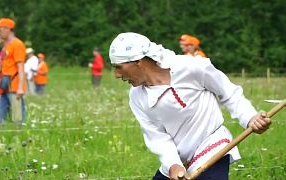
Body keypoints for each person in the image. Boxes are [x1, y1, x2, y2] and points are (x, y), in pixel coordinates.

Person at [109, 32, 271, 180]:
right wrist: (173, 164)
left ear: (138, 62)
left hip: (212, 146)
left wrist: (250, 117)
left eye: (118, 67)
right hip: (179, 160)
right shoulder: (136, 96)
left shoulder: (192, 67)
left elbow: (228, 92)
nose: (116, 75)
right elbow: (156, 136)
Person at [0, 17, 26, 124]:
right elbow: (7, 67)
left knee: (18, 118)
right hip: (5, 86)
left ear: (8, 29)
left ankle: (21, 137)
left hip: (14, 87)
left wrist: (20, 88)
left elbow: (20, 68)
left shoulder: (17, 45)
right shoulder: (7, 46)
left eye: (0, 30)